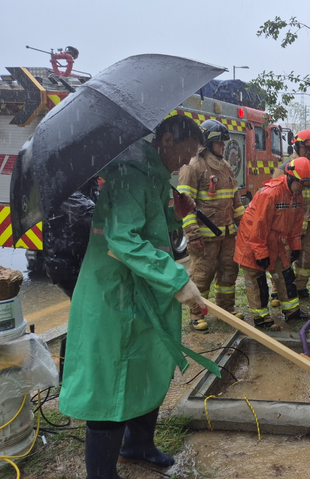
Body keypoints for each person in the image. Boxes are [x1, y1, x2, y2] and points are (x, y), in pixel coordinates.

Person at [59, 115, 220, 479]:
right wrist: (177, 281)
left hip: (144, 294)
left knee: (147, 367)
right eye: (185, 153)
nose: (185, 164)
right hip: (115, 297)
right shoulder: (130, 175)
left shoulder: (152, 178)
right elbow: (124, 238)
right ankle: (101, 473)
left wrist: (174, 215)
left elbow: (151, 230)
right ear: (165, 140)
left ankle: (138, 446)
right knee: (111, 384)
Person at [177, 119, 246, 331]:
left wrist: (243, 226)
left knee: (228, 273)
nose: (223, 147)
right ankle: (197, 314)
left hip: (227, 235)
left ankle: (226, 310)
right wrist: (193, 235)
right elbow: (184, 206)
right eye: (220, 143)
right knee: (202, 276)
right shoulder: (193, 167)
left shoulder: (226, 167)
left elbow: (235, 201)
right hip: (204, 238)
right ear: (208, 143)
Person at [234, 157, 310, 331]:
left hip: (275, 241)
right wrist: (260, 253)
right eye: (302, 184)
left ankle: (291, 311)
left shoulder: (296, 195)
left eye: (306, 185)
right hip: (252, 240)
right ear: (291, 177)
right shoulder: (270, 194)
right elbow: (259, 227)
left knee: (285, 274)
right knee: (257, 280)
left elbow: (296, 224)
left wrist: (295, 246)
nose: (303, 189)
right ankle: (261, 317)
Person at [270, 129, 310, 303]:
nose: (309, 151)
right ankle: (277, 292)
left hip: (309, 225)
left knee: (307, 259)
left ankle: (300, 288)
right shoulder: (284, 169)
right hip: (289, 227)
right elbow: (274, 198)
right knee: (284, 259)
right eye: (306, 148)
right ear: (296, 146)